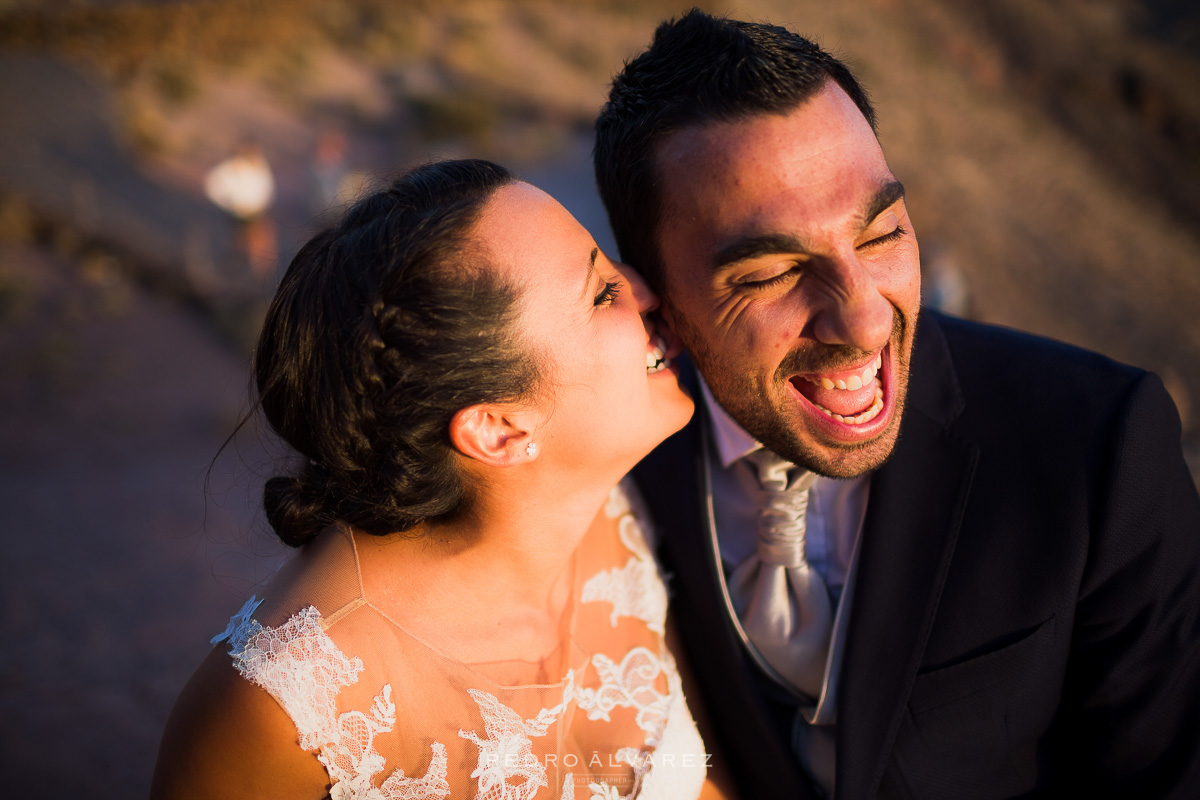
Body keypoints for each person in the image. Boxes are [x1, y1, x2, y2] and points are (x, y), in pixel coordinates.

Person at [593, 10, 1200, 799]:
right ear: (661, 307)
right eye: (774, 272)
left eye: (881, 234)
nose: (867, 320)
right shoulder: (612, 460)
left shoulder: (1098, 444)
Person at [151, 159, 716, 799]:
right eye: (603, 293)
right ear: (498, 428)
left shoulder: (611, 517)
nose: (646, 289)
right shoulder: (287, 711)